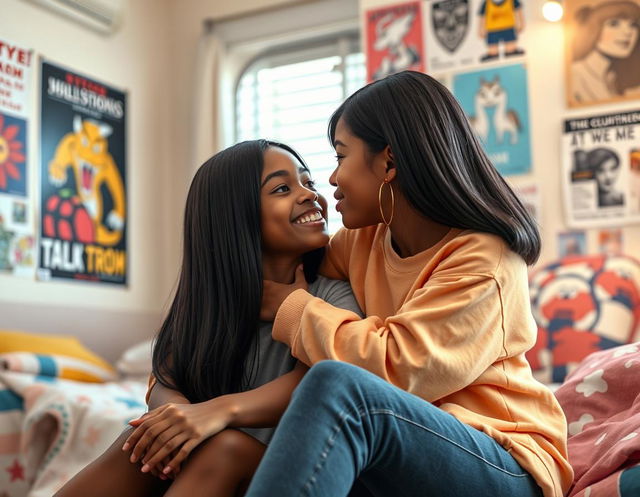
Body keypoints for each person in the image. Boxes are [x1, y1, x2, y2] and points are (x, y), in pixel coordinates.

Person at [238, 70, 570, 496]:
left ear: (389, 162)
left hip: (504, 461)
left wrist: (292, 307)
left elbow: (398, 366)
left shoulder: (485, 259)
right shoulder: (363, 240)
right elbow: (269, 270)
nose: (332, 179)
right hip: (406, 445)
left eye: (341, 156)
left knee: (340, 390)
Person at [54, 139, 362, 497]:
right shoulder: (209, 303)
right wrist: (178, 418)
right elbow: (167, 377)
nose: (310, 194)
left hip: (287, 471)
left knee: (226, 448)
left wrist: (218, 412)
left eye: (307, 182)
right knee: (141, 440)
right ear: (235, 216)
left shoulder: (333, 295)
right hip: (210, 460)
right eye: (282, 188)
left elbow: (319, 383)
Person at [570, 1, 640, 106]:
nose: (628, 32)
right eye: (614, 24)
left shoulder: (613, 78)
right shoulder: (576, 75)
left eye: (633, 25)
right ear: (594, 29)